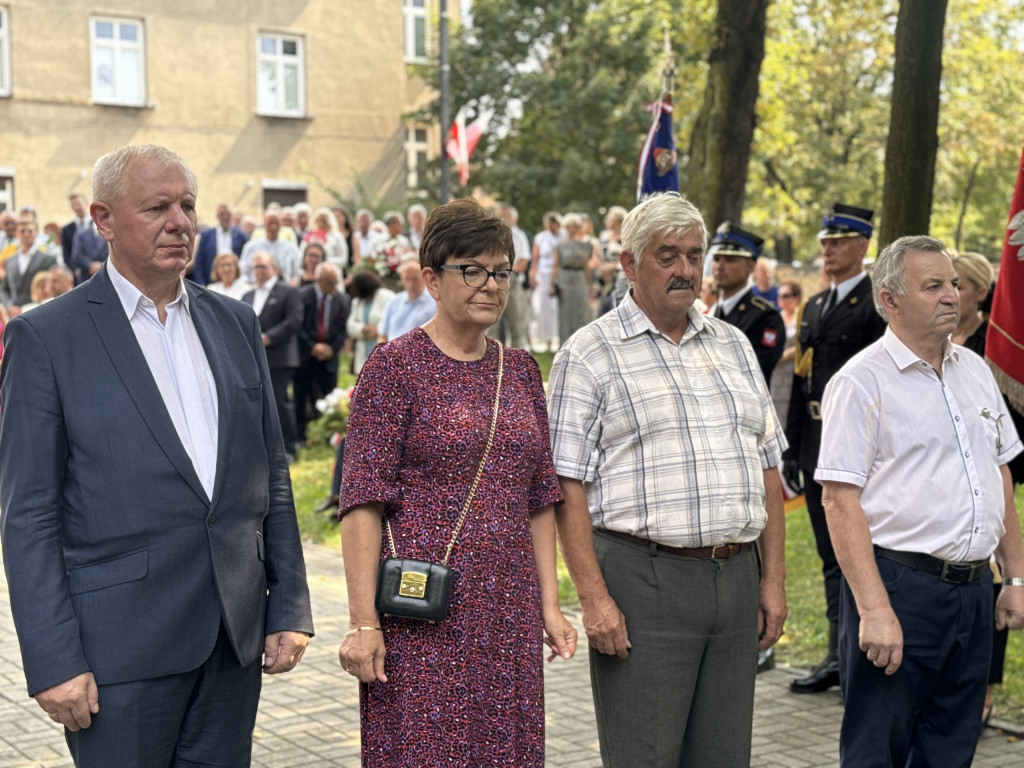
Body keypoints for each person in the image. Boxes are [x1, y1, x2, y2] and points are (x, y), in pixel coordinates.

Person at [0, 144, 313, 766]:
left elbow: (271, 475)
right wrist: (54, 659)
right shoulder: (46, 337)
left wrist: (291, 604)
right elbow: (28, 514)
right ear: (104, 219)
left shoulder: (236, 323)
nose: (180, 221)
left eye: (188, 205)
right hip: (118, 652)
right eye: (157, 207)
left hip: (233, 639)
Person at [547, 193, 787, 767]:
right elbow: (564, 486)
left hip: (734, 582)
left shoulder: (733, 345)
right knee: (645, 755)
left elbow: (768, 467)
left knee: (724, 756)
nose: (684, 270)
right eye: (666, 255)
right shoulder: (588, 354)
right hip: (642, 583)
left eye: (693, 255)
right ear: (629, 264)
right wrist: (594, 599)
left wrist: (772, 580)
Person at [337, 198, 577, 767]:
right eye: (471, 270)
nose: (489, 285)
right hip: (423, 613)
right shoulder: (394, 367)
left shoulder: (519, 369)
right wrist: (363, 622)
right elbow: (361, 502)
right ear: (432, 280)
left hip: (508, 614)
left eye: (500, 272)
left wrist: (549, 604)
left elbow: (539, 497)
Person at [816, 235, 1024, 766]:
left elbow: (999, 474)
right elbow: (839, 503)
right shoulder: (861, 382)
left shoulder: (976, 371)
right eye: (933, 287)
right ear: (889, 301)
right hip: (901, 590)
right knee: (877, 749)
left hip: (975, 592)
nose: (952, 296)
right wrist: (874, 609)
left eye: (953, 283)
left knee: (952, 746)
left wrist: (1015, 578)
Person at [785, 202, 888, 694]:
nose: (829, 249)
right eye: (825, 242)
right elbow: (803, 384)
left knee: (857, 554)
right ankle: (836, 654)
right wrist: (791, 448)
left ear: (863, 245)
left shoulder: (875, 304)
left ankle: (858, 656)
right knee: (830, 556)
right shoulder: (816, 306)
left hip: (857, 450)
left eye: (840, 241)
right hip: (815, 446)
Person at [242, 251, 303, 462]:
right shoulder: (248, 295)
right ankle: (265, 448)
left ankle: (289, 447)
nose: (258, 271)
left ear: (274, 268)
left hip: (279, 356)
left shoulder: (287, 291)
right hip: (253, 358)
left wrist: (269, 337)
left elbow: (294, 320)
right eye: (255, 268)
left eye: (262, 267)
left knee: (279, 402)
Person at [709, 222, 785, 384]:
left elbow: (755, 373)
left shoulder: (766, 317)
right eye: (716, 259)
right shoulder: (711, 311)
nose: (719, 267)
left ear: (750, 267)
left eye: (730, 260)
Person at [295, 262, 349, 445]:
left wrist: (331, 349)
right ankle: (300, 436)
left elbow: (343, 330)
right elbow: (298, 325)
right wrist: (313, 346)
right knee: (300, 396)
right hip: (305, 356)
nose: (334, 288)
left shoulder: (341, 299)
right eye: (330, 283)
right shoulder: (302, 296)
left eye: (336, 283)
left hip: (329, 357)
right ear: (319, 281)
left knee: (330, 395)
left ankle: (329, 436)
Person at [551, 213, 596, 345]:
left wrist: (591, 285)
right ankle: (564, 344)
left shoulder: (585, 245)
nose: (576, 228)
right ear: (567, 227)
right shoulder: (560, 246)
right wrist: (552, 283)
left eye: (577, 225)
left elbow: (587, 267)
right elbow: (555, 266)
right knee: (565, 314)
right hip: (564, 279)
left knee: (582, 312)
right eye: (573, 225)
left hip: (580, 279)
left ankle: (582, 344)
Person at [1, 217, 59, 312]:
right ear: (17, 234)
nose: (27, 234)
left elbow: (54, 288)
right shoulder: (9, 261)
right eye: (23, 231)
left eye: (30, 231)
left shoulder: (48, 260)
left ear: (36, 233)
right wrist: (9, 306)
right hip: (14, 315)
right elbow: (3, 289)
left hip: (38, 312)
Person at [345, 271, 395, 375]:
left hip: (385, 352)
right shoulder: (357, 301)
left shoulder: (387, 296)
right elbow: (350, 326)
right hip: (363, 353)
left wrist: (379, 330)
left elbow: (395, 321)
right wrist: (363, 329)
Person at [376, 259, 435, 343]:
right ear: (401, 279)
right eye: (407, 279)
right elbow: (382, 335)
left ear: (424, 278)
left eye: (415, 279)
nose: (411, 284)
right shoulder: (393, 302)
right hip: (391, 352)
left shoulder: (434, 303)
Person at [770, 280, 802, 429]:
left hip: (791, 373)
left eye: (785, 295)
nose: (780, 299)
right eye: (779, 296)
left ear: (796, 297)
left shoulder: (801, 318)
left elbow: (803, 345)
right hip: (774, 374)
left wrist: (783, 356)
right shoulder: (775, 317)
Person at [529, 211, 562, 352]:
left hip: (559, 275)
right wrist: (532, 273)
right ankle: (546, 340)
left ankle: (558, 338)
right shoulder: (540, 238)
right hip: (543, 275)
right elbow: (535, 258)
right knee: (543, 308)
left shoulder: (564, 236)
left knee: (556, 308)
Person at [192, 203, 248, 285]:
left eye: (228, 214)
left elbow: (245, 260)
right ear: (217, 216)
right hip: (212, 282)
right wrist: (201, 284)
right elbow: (199, 262)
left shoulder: (241, 236)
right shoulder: (206, 235)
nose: (225, 217)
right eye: (222, 214)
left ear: (231, 216)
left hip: (235, 283)